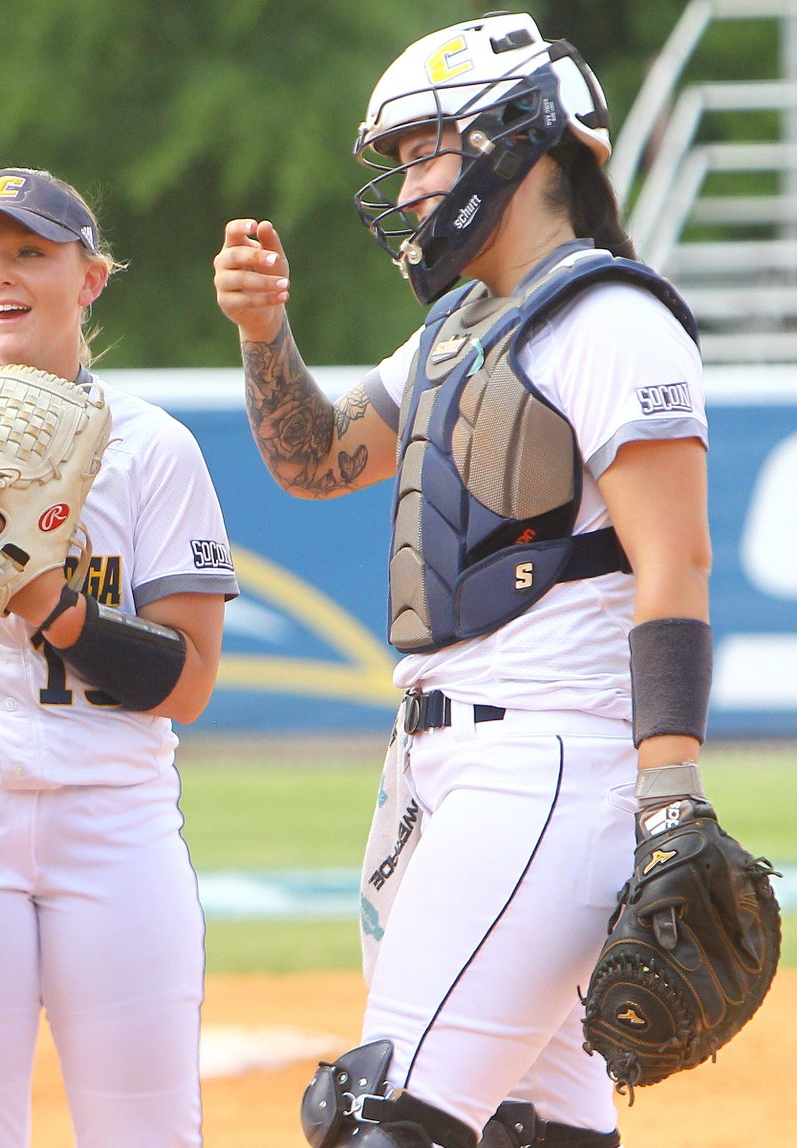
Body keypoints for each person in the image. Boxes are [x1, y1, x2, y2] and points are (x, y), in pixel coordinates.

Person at [214, 13, 710, 1148]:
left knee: (386, 1115)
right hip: (440, 764)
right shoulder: (455, 328)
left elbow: (675, 559)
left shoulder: (610, 316)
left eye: (426, 148)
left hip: (544, 753)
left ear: (521, 139)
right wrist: (264, 333)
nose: (412, 182)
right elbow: (316, 457)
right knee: (538, 1131)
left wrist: (669, 786)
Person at [0, 166, 239, 1148]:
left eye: (31, 252)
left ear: (89, 278)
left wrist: (45, 601)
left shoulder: (151, 447)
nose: (0, 275)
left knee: (144, 1131)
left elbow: (186, 680)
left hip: (115, 818)